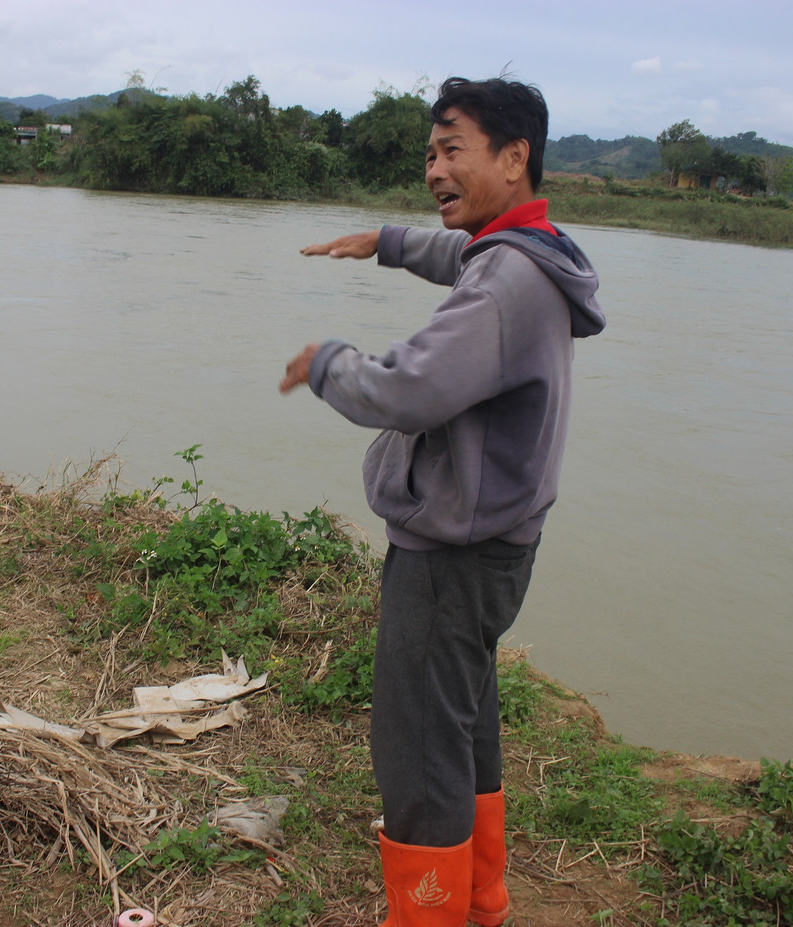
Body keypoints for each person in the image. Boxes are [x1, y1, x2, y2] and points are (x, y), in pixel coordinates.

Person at [279, 76, 605, 927]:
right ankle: (480, 901)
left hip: (451, 556)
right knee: (463, 721)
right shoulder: (533, 251)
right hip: (499, 545)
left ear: (514, 156)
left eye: (452, 149)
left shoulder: (504, 284)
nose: (434, 169)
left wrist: (327, 362)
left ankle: (429, 915)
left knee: (421, 742)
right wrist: (387, 243)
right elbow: (461, 255)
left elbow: (409, 391)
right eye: (429, 154)